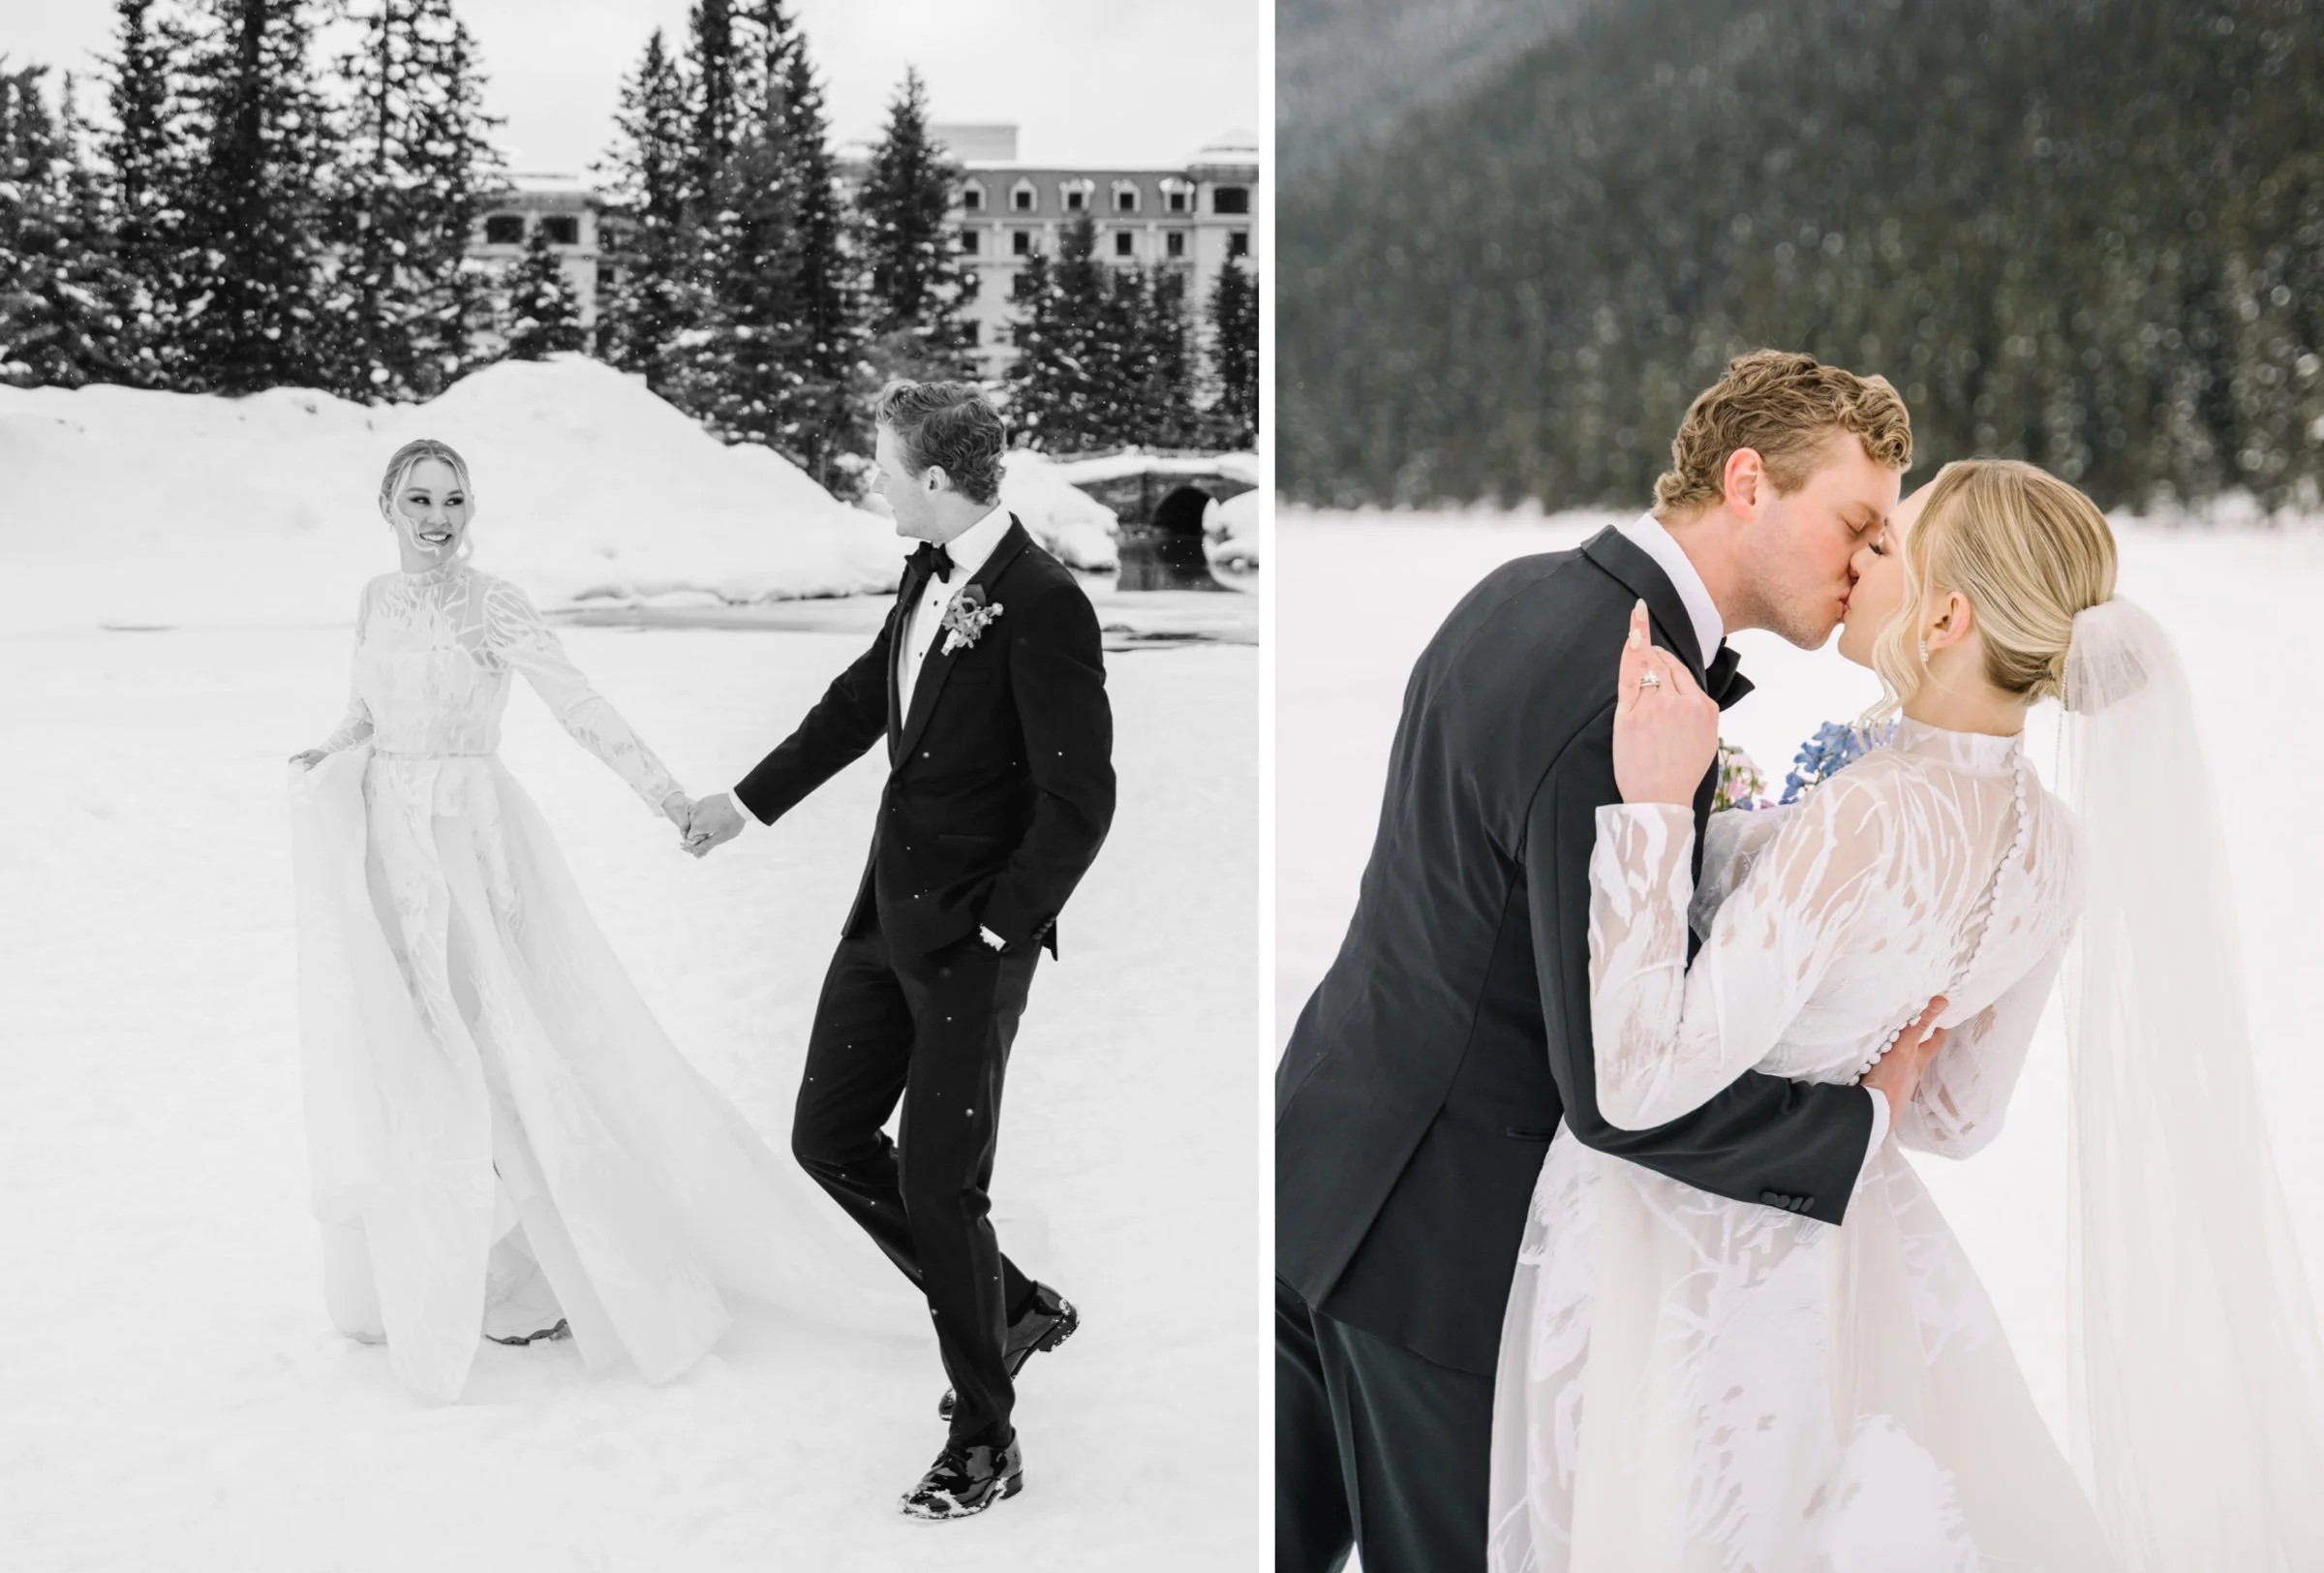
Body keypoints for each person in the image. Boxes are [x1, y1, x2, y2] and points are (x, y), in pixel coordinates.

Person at [1488, 457, 2324, 1568]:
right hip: (1848, 1267)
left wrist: (1651, 812)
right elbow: (1962, 1115)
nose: (1857, 555)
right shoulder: (2052, 848)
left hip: (1687, 1262)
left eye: (1886, 544)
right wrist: (1876, 1091)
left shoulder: (1866, 820)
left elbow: (1639, 1079)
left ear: (1945, 615)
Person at [1275, 350, 1924, 1572]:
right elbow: (1619, 1088)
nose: (1865, 564)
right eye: (1856, 522)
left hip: (1313, 1165)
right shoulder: (1620, 702)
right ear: (1749, 483)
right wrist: (1856, 1123)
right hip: (1436, 1267)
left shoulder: (1514, 589)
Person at [287, 438, 909, 1405]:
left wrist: (668, 797)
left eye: (454, 496)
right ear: (386, 504)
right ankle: (468, 1267)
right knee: (413, 1058)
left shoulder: (495, 602)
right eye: (418, 497)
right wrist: (322, 756)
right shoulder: (375, 598)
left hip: (472, 845)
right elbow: (364, 711)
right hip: (390, 850)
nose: (437, 515)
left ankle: (556, 1271)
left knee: (505, 1052)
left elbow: (580, 706)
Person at [681, 381, 1116, 1520]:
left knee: (940, 1185)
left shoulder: (1043, 602)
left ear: (935, 476)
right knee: (826, 1134)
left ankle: (987, 1440)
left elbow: (1081, 800)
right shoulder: (927, 573)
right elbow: (857, 707)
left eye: (882, 462)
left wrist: (997, 924)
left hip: (974, 942)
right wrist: (745, 803)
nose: (871, 477)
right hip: (883, 920)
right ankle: (1011, 1307)